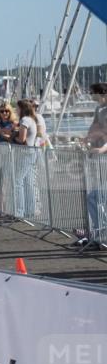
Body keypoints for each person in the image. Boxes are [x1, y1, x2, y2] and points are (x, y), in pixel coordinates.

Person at [74, 83, 107, 249]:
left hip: (103, 154)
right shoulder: (99, 109)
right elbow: (95, 127)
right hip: (100, 159)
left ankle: (102, 235)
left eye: (91, 92)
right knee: (95, 197)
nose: (89, 95)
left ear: (100, 93)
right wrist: (86, 139)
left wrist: (102, 148)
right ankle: (100, 235)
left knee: (100, 197)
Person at [13, 98, 39, 219]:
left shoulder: (24, 120)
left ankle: (19, 211)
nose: (16, 110)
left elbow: (22, 139)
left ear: (22, 109)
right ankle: (30, 209)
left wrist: (12, 137)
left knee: (17, 181)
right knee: (27, 182)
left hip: (25, 153)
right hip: (32, 152)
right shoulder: (32, 120)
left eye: (17, 108)